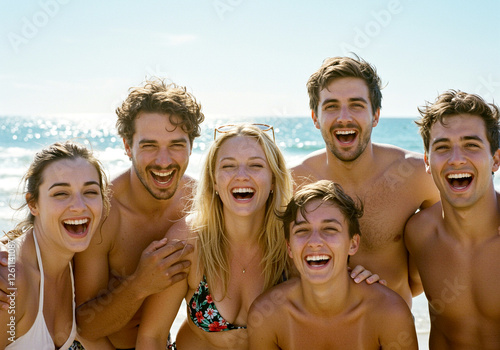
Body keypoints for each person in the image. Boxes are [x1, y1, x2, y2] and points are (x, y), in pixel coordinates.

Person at [291, 55, 439, 306]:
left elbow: (438, 258)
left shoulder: (418, 176)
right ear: (315, 118)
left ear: (376, 115)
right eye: (331, 106)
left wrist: (385, 293)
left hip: (393, 334)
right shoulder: (292, 183)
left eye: (357, 105)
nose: (344, 117)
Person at [134, 123, 293, 349]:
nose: (241, 176)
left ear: (274, 180)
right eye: (229, 166)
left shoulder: (294, 241)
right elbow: (152, 336)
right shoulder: (189, 240)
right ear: (215, 181)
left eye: (255, 165)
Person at [74, 78, 204, 349]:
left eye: (177, 145)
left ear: (191, 145)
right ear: (126, 145)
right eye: (149, 145)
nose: (164, 160)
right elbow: (85, 325)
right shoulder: (104, 213)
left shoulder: (200, 203)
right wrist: (139, 285)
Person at [248, 180, 417, 349]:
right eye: (302, 231)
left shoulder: (389, 312)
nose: (314, 242)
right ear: (289, 247)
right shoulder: (267, 314)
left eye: (329, 229)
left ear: (353, 244)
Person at [406, 90, 500, 349]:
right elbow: (406, 287)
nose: (456, 159)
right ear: (427, 161)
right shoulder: (418, 234)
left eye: (471, 145)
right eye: (442, 147)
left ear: (495, 159)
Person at [0, 141, 111, 349]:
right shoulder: (11, 281)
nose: (79, 206)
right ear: (33, 203)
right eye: (61, 193)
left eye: (90, 192)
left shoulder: (77, 263)